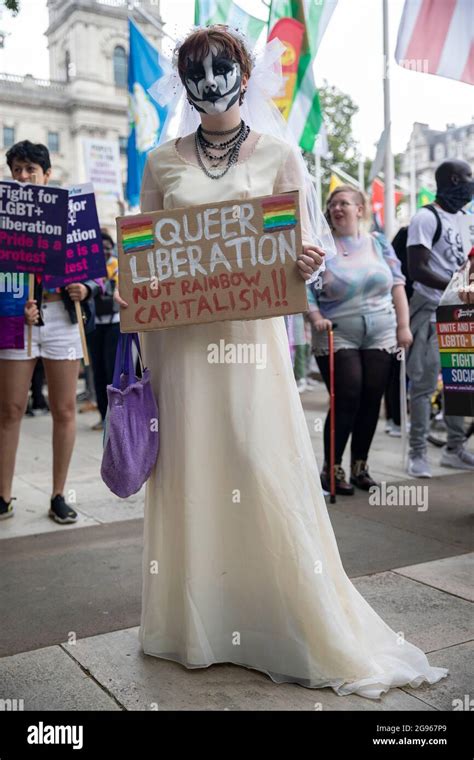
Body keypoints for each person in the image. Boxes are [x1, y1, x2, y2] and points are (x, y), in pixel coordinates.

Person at [114, 26, 447, 698]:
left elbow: (302, 250)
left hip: (250, 345)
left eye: (222, 67)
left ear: (245, 73)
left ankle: (277, 615)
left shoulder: (279, 155)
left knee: (253, 457)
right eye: (196, 71)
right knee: (192, 465)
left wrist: (304, 262)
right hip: (181, 350)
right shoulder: (160, 162)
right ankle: (193, 623)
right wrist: (129, 285)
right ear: (183, 81)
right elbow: (144, 254)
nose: (210, 81)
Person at [0, 140, 102, 523]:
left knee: (63, 409)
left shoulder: (75, 213)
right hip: (17, 322)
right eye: (17, 170)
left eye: (30, 169)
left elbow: (96, 268)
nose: (23, 176)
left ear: (47, 174)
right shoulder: (4, 216)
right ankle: (3, 494)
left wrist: (87, 288)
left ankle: (59, 493)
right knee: (9, 410)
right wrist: (12, 305)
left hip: (62, 320)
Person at [308, 185, 412, 494]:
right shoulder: (320, 246)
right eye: (332, 204)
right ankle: (332, 468)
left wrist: (403, 327)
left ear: (360, 209)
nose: (336, 208)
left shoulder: (379, 243)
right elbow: (305, 290)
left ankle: (360, 467)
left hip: (381, 329)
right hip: (336, 331)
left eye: (343, 203)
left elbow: (397, 285)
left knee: (371, 397)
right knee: (348, 394)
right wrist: (315, 318)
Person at [406, 159, 474, 477]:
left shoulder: (466, 218)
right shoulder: (425, 217)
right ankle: (417, 452)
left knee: (459, 383)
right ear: (452, 180)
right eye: (468, 177)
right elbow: (417, 267)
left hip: (459, 311)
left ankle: (454, 448)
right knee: (423, 382)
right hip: (431, 309)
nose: (472, 182)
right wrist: (454, 287)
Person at [87, 231, 120, 431]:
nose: (105, 251)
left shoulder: (118, 267)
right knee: (98, 371)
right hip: (95, 325)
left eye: (108, 247)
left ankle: (116, 417)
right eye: (101, 247)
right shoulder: (89, 269)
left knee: (112, 371)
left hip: (114, 324)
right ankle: (103, 416)